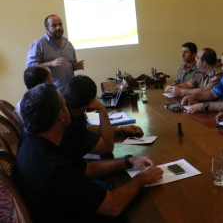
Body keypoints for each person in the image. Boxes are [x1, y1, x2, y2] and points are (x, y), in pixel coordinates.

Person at [11, 83, 163, 222]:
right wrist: (142, 178)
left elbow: (88, 168)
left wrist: (129, 161)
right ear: (61, 116)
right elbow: (114, 206)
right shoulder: (55, 169)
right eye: (65, 105)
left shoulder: (33, 138)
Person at [62, 75, 143, 157]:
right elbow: (107, 147)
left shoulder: (70, 108)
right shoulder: (71, 126)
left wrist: (120, 129)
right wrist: (102, 109)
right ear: (90, 102)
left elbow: (88, 128)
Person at [26, 14, 84, 93]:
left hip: (70, 92)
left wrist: (74, 66)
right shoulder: (38, 44)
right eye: (54, 25)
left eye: (60, 24)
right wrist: (51, 64)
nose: (58, 27)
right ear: (46, 29)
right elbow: (30, 67)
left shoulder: (68, 44)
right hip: (51, 93)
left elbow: (67, 66)